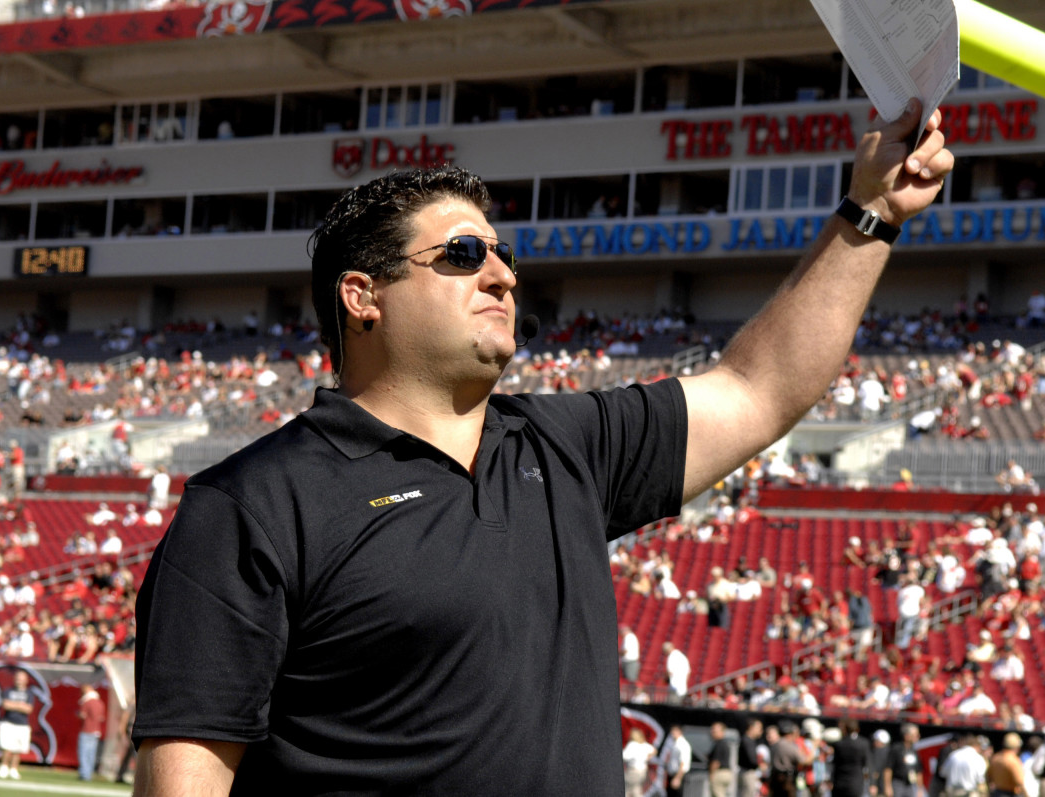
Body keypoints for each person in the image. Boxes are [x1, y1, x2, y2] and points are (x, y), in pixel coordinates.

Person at [132, 100, 953, 796]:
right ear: (362, 296)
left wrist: (869, 213)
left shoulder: (565, 445)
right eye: (461, 254)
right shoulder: (252, 505)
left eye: (502, 254)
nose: (501, 274)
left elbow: (759, 388)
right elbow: (188, 777)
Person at [0, 669, 34, 780]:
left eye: (21, 678)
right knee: (6, 747)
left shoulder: (29, 693)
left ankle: (14, 769)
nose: (19, 681)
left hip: (22, 724)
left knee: (17, 749)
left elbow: (28, 709)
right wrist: (20, 705)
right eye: (17, 678)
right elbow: (5, 705)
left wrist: (14, 705)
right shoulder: (8, 691)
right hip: (8, 722)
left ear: (26, 680)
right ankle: (4, 767)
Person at [831, 718, 873, 797]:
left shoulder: (839, 744)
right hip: (855, 783)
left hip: (839, 783)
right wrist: (872, 783)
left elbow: (834, 764)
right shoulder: (863, 743)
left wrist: (831, 780)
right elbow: (868, 764)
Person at [884, 723, 923, 797]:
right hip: (898, 783)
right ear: (907, 736)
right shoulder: (896, 749)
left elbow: (918, 771)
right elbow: (888, 769)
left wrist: (920, 789)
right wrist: (888, 786)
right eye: (915, 734)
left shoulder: (914, 751)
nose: (918, 736)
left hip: (910, 784)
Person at [77, 683, 106, 781]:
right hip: (96, 731)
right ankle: (89, 773)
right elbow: (101, 718)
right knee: (91, 754)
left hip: (86, 730)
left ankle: (84, 774)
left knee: (84, 753)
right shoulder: (100, 703)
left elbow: (82, 715)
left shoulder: (87, 702)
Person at [623, 727, 657, 797]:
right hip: (643, 770)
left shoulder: (632, 745)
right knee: (637, 789)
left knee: (626, 790)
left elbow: (624, 756)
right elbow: (654, 750)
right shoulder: (645, 745)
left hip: (633, 771)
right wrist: (647, 757)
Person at [662, 724, 693, 797]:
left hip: (678, 774)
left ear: (680, 732)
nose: (672, 733)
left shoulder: (683, 744)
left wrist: (678, 778)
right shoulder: (673, 743)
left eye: (675, 731)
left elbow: (683, 763)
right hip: (672, 774)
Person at [708, 721, 736, 797]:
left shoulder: (719, 743)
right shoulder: (724, 743)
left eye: (714, 731)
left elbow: (716, 762)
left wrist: (711, 774)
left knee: (717, 794)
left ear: (721, 732)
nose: (712, 732)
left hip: (719, 772)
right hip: (726, 773)